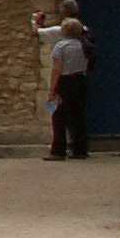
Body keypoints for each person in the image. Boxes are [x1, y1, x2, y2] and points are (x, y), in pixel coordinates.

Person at [45, 17, 92, 159]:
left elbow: (57, 69)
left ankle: (58, 150)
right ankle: (80, 149)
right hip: (80, 79)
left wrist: (52, 89)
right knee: (78, 115)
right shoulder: (84, 45)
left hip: (65, 81)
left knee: (59, 116)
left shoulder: (60, 47)